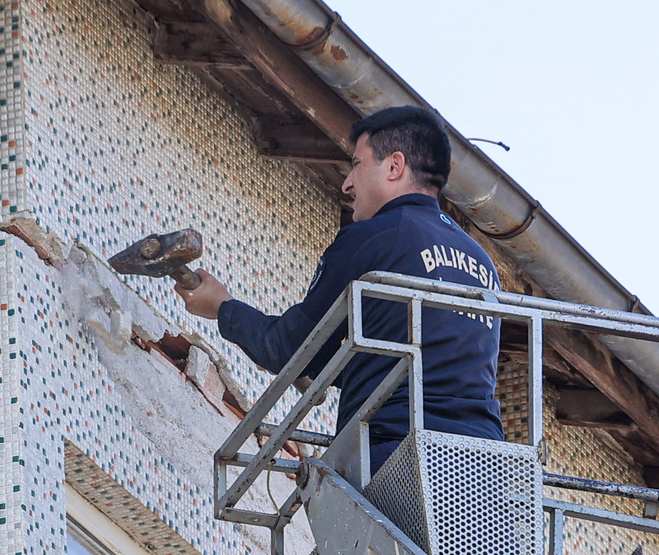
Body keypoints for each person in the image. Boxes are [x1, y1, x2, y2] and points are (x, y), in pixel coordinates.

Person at [177, 105, 505, 473]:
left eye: (357, 164)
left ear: (394, 167)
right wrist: (321, 373)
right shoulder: (482, 265)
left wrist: (222, 307)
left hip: (396, 456)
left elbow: (287, 347)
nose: (347, 183)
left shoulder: (376, 236)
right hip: (486, 464)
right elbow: (414, 360)